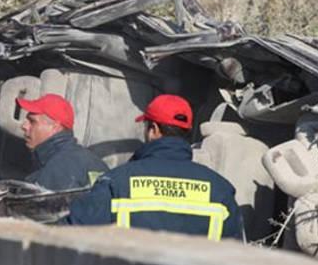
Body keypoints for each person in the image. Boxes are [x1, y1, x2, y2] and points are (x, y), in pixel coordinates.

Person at [63, 94, 243, 240]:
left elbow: (68, 235)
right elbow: (240, 259)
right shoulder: (221, 191)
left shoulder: (117, 183)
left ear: (153, 129)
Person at [16, 93, 108, 190]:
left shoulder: (59, 168)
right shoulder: (83, 159)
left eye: (32, 121)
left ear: (55, 127)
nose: (24, 126)